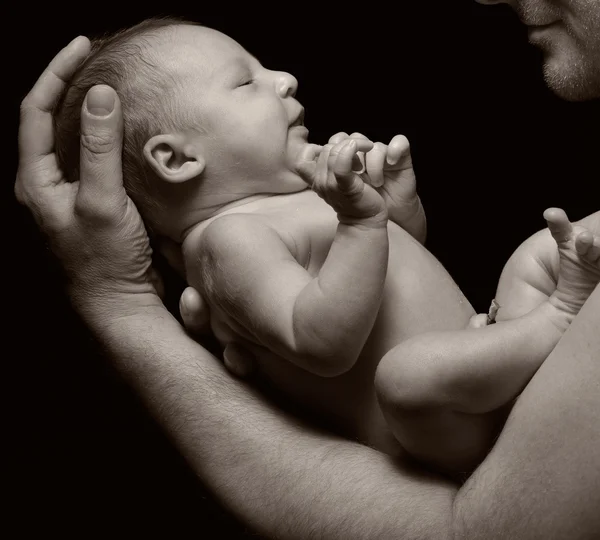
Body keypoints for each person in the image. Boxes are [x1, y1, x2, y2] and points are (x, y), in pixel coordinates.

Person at [15, 5, 600, 540]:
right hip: (443, 427)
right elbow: (324, 341)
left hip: (477, 376)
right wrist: (363, 224)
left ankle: (546, 324)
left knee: (534, 256)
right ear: (175, 159)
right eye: (246, 81)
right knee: (405, 375)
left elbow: (392, 279)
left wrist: (393, 217)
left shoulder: (289, 207)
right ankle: (560, 318)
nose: (284, 78)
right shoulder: (230, 238)